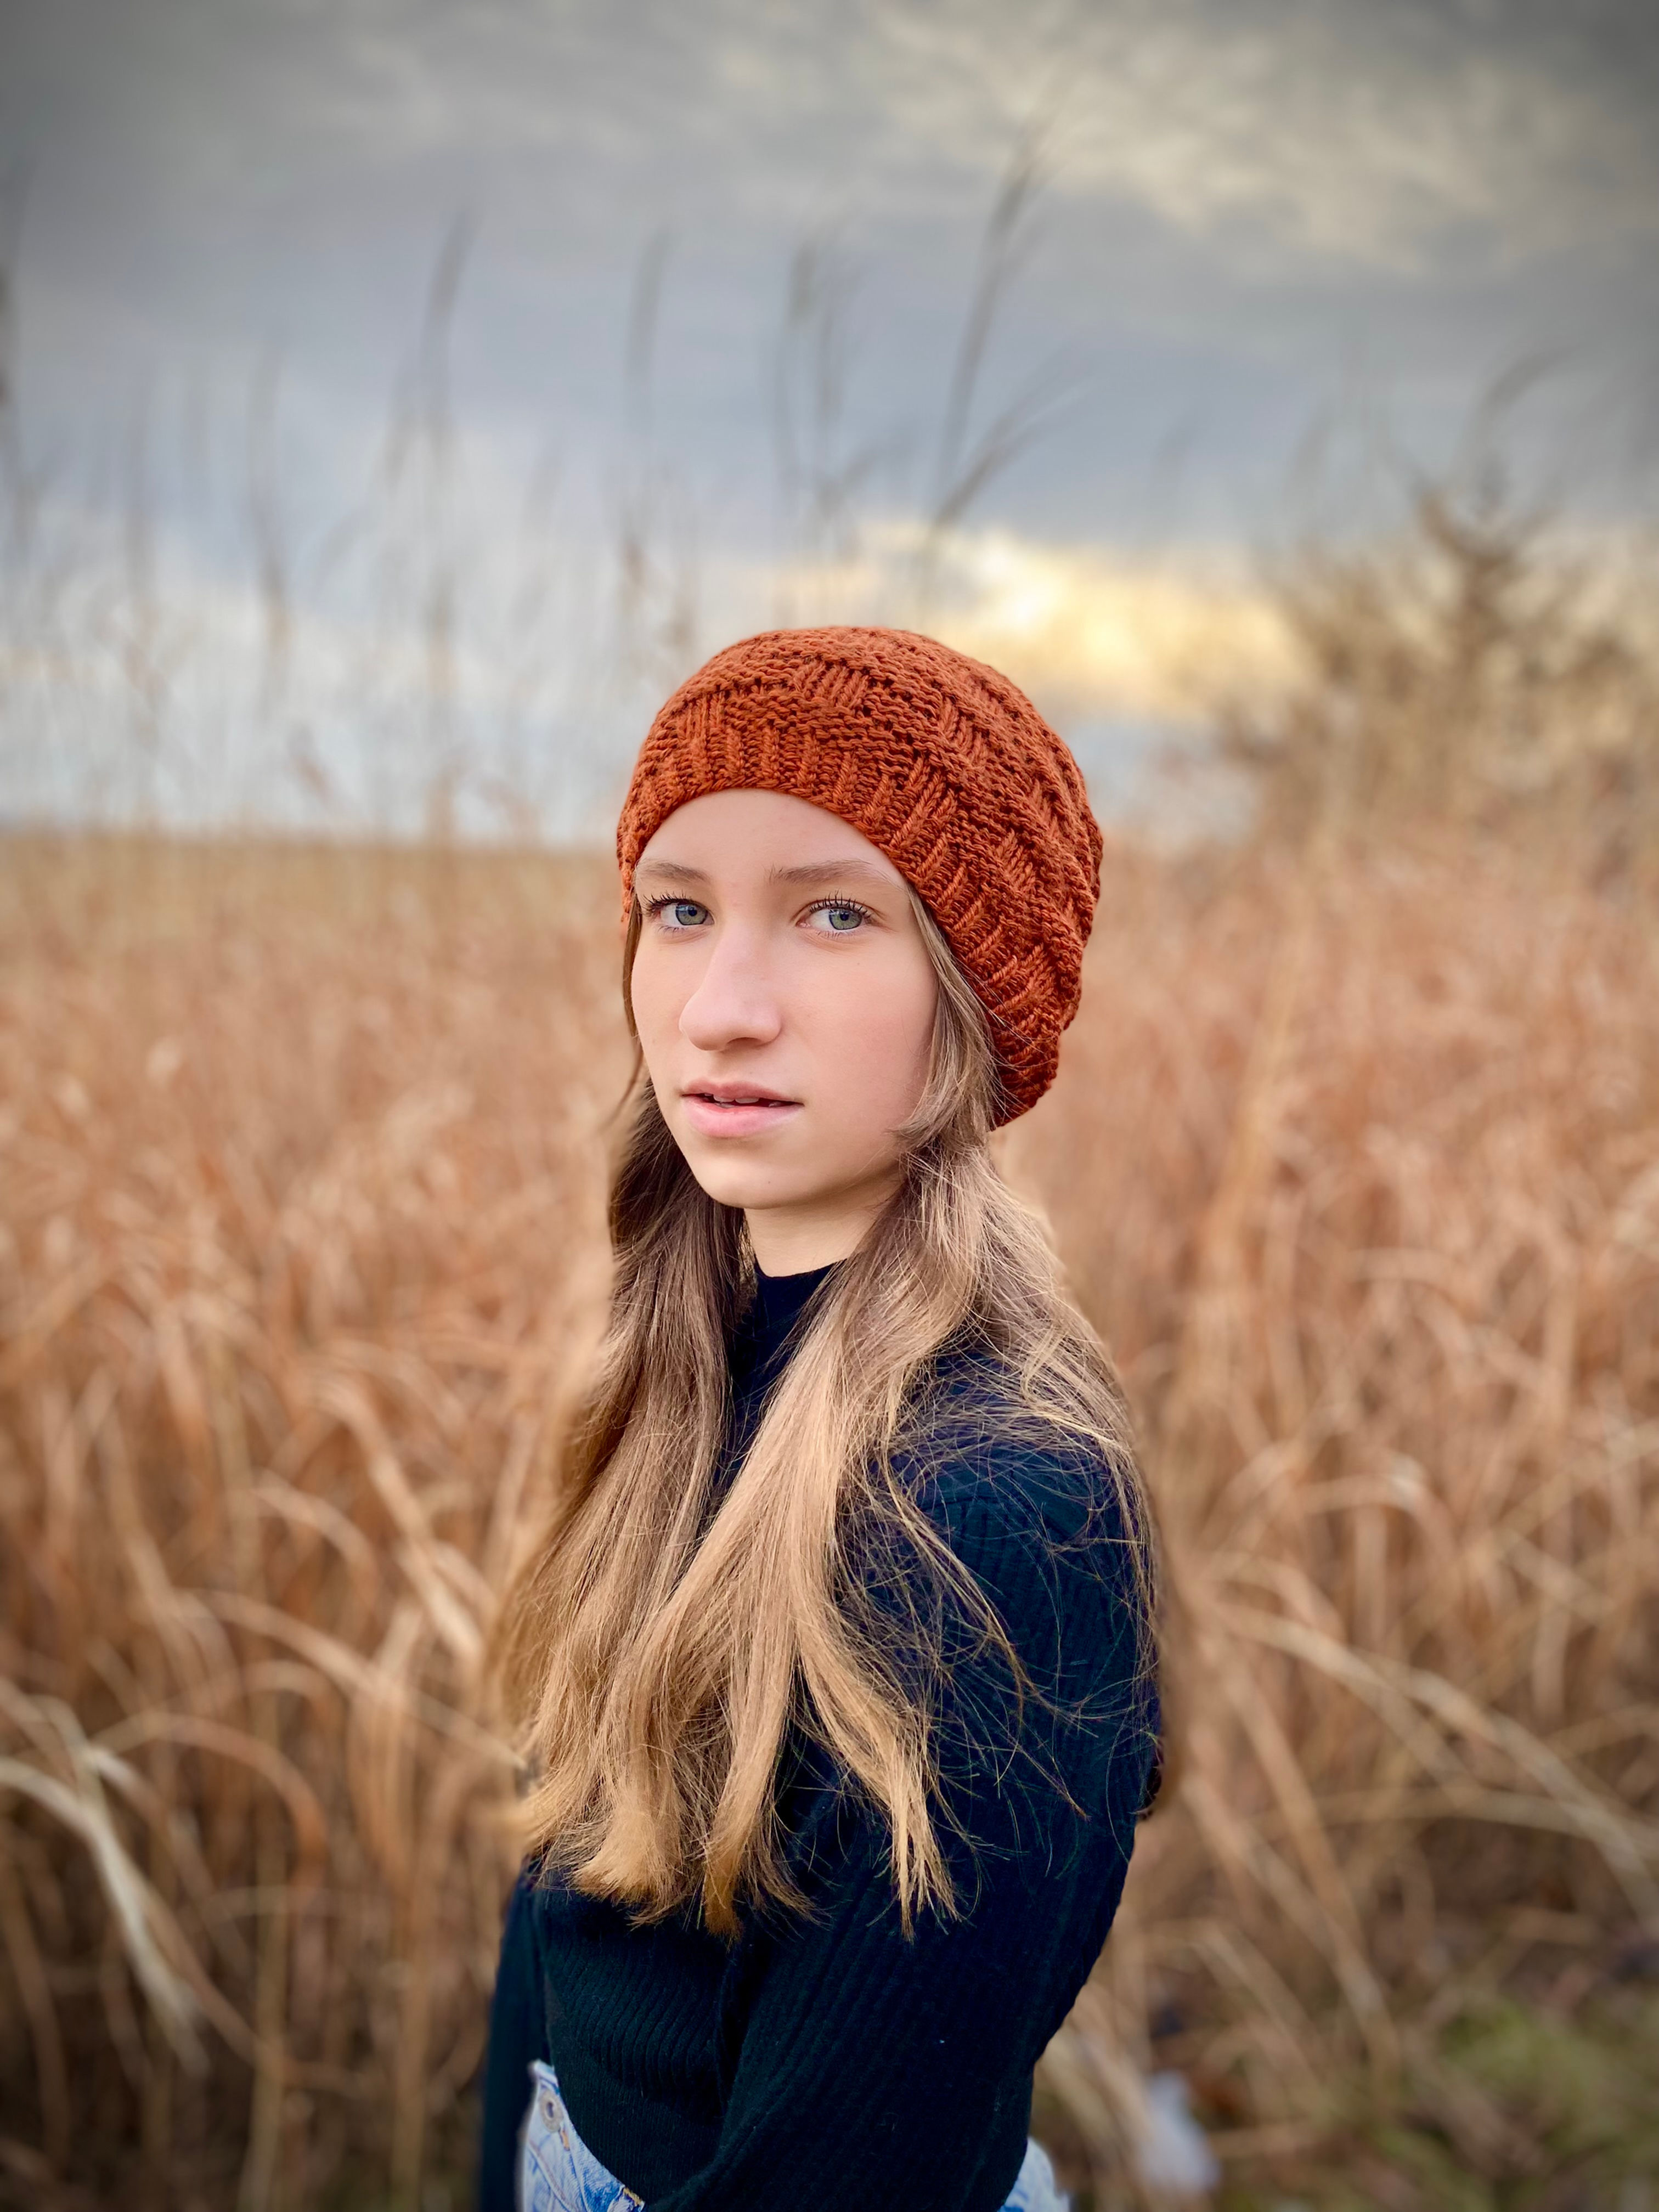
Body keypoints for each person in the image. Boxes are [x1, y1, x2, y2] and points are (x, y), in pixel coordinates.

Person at [479, 627, 1163, 2212]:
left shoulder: (1001, 1513)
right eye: (680, 910)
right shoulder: (675, 1378)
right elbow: (567, 1925)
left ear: (975, 997)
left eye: (834, 913)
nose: (719, 1007)